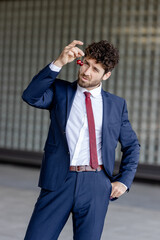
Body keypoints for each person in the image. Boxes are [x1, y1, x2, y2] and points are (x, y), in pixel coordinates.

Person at [22, 40, 140, 240]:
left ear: (106, 75)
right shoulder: (60, 92)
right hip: (58, 180)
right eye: (85, 63)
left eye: (95, 69)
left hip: (96, 184)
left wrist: (124, 181)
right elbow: (30, 96)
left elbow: (132, 146)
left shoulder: (116, 105)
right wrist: (58, 63)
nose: (86, 72)